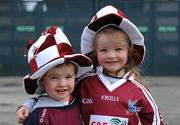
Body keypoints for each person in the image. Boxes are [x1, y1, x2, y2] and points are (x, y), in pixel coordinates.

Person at [16, 5, 164, 125]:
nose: (111, 56)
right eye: (104, 50)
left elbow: (155, 121)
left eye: (118, 49)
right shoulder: (84, 82)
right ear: (95, 52)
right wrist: (28, 105)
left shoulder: (139, 91)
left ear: (129, 51)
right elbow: (55, 95)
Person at [17, 26, 93, 125]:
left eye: (68, 77)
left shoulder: (80, 102)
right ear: (42, 81)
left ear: (75, 76)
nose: (62, 84)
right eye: (54, 77)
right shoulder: (37, 115)